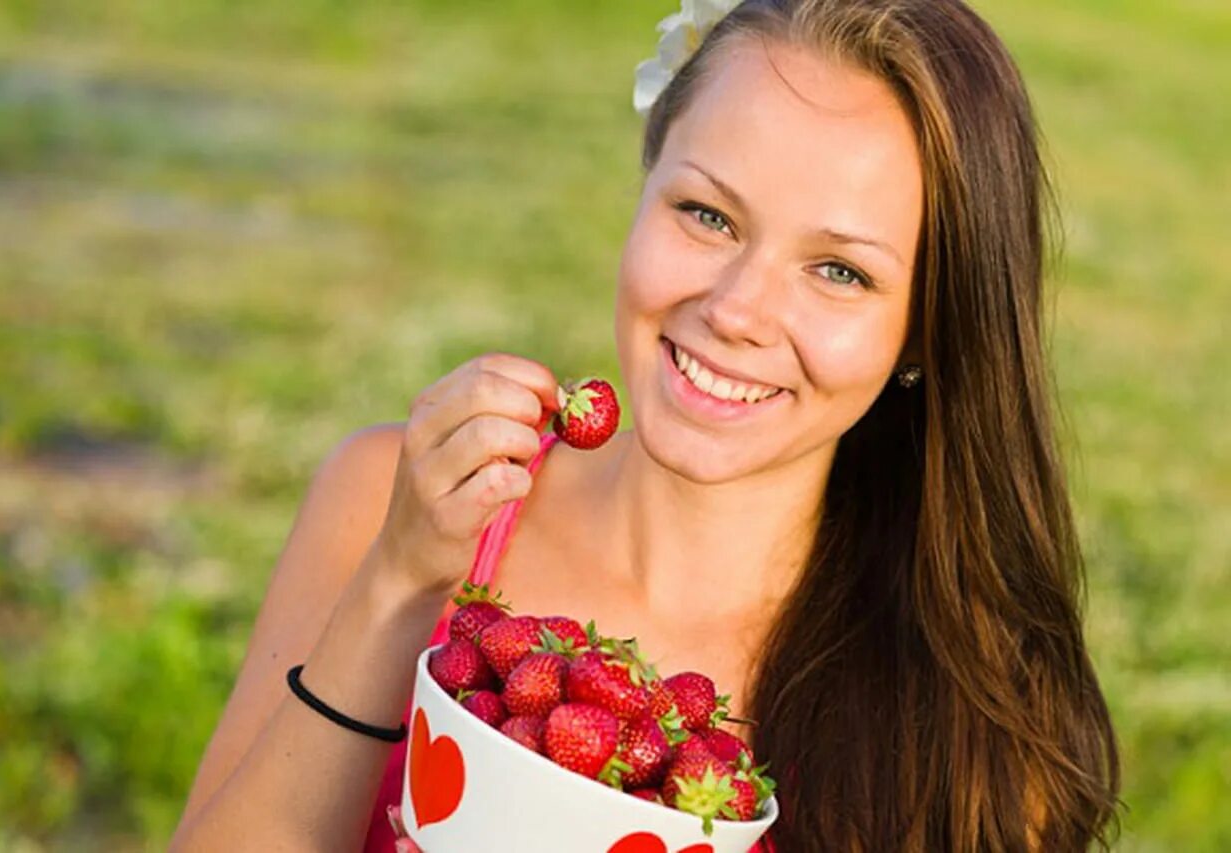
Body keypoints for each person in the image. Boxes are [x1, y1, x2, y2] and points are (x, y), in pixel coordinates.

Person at [171, 0, 1122, 849]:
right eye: (707, 214)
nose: (737, 308)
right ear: (645, 180)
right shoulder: (395, 503)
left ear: (926, 326)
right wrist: (397, 585)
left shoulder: (970, 721)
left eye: (839, 271)